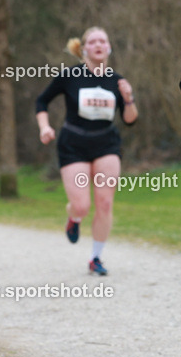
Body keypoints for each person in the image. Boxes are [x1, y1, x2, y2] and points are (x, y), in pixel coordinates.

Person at [35, 27, 138, 275]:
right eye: (93, 41)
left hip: (106, 145)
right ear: (84, 49)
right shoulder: (70, 76)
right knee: (81, 205)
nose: (99, 44)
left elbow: (130, 120)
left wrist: (129, 98)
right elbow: (42, 101)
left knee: (104, 203)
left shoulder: (117, 80)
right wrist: (44, 127)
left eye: (103, 40)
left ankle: (96, 257)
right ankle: (75, 218)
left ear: (109, 48)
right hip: (74, 144)